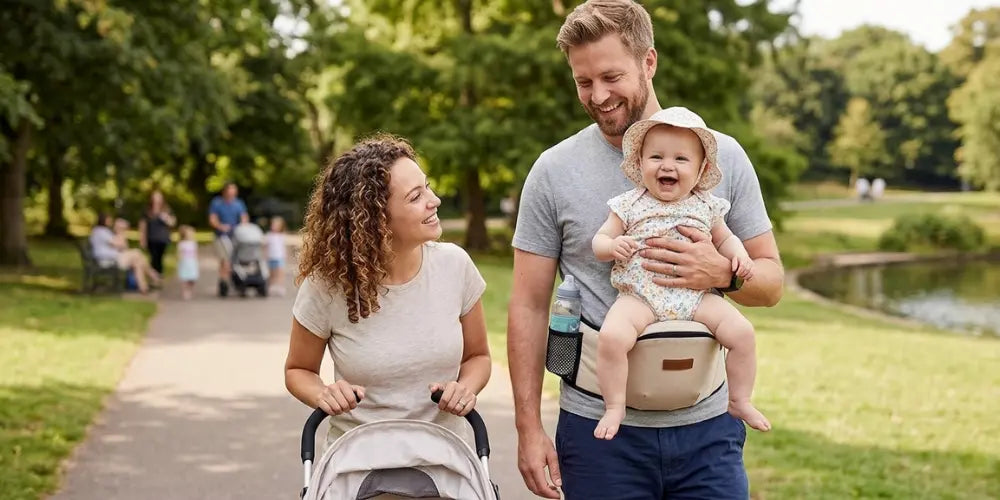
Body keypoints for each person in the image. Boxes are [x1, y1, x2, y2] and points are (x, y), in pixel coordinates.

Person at [508, 1, 784, 498]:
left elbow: (771, 284)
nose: (599, 96)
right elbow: (527, 306)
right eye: (583, 82)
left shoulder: (723, 158)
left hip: (708, 429)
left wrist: (722, 272)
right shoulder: (552, 171)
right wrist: (528, 428)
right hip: (597, 433)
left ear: (648, 62)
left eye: (612, 76)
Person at [284, 134, 491, 448]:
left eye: (428, 187)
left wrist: (466, 387)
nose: (434, 201)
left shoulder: (455, 266)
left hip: (445, 461)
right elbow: (298, 369)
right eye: (415, 197)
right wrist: (324, 394)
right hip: (358, 463)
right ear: (376, 219)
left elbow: (478, 357)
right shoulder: (327, 286)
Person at [592, 106, 769, 440]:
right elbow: (600, 240)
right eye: (656, 156)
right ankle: (615, 406)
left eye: (681, 159)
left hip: (695, 297)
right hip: (641, 295)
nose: (667, 165)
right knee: (612, 338)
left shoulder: (705, 205)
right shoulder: (629, 204)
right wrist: (612, 247)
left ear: (701, 168)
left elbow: (727, 239)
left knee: (742, 333)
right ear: (640, 163)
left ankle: (740, 399)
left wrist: (740, 258)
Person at [89, 214, 161, 294]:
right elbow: (120, 245)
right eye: (109, 219)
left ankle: (144, 287)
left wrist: (120, 233)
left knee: (137, 262)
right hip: (108, 260)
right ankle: (153, 276)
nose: (110, 221)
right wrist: (121, 231)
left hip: (112, 258)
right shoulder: (101, 231)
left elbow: (123, 247)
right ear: (103, 220)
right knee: (137, 253)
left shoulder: (102, 231)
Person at [208, 182, 249, 297]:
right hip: (221, 236)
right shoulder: (217, 203)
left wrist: (243, 225)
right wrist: (221, 226)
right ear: (225, 192)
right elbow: (212, 219)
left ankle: (235, 282)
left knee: (235, 261)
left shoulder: (238, 204)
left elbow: (244, 217)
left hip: (235, 236)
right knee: (225, 261)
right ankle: (223, 283)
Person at [138, 189, 176, 276]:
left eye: (159, 197)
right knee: (153, 258)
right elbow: (142, 225)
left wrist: (166, 218)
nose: (157, 199)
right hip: (151, 238)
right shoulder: (147, 210)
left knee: (160, 258)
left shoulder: (166, 209)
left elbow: (173, 223)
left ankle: (159, 275)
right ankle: (154, 277)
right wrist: (142, 239)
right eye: (155, 197)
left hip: (163, 239)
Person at [266, 216, 288, 297]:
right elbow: (267, 247)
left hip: (279, 257)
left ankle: (280, 287)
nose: (274, 226)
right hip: (271, 257)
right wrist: (266, 256)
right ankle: (271, 287)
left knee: (280, 273)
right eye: (273, 225)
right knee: (271, 273)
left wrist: (285, 256)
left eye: (276, 225)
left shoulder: (281, 236)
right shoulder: (269, 235)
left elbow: (283, 247)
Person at [176, 225, 200, 300]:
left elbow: (196, 253)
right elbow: (179, 253)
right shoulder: (181, 244)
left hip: (192, 263)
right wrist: (180, 259)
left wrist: (197, 261)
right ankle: (185, 292)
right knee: (185, 279)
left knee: (192, 279)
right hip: (185, 263)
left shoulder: (193, 243)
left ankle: (190, 290)